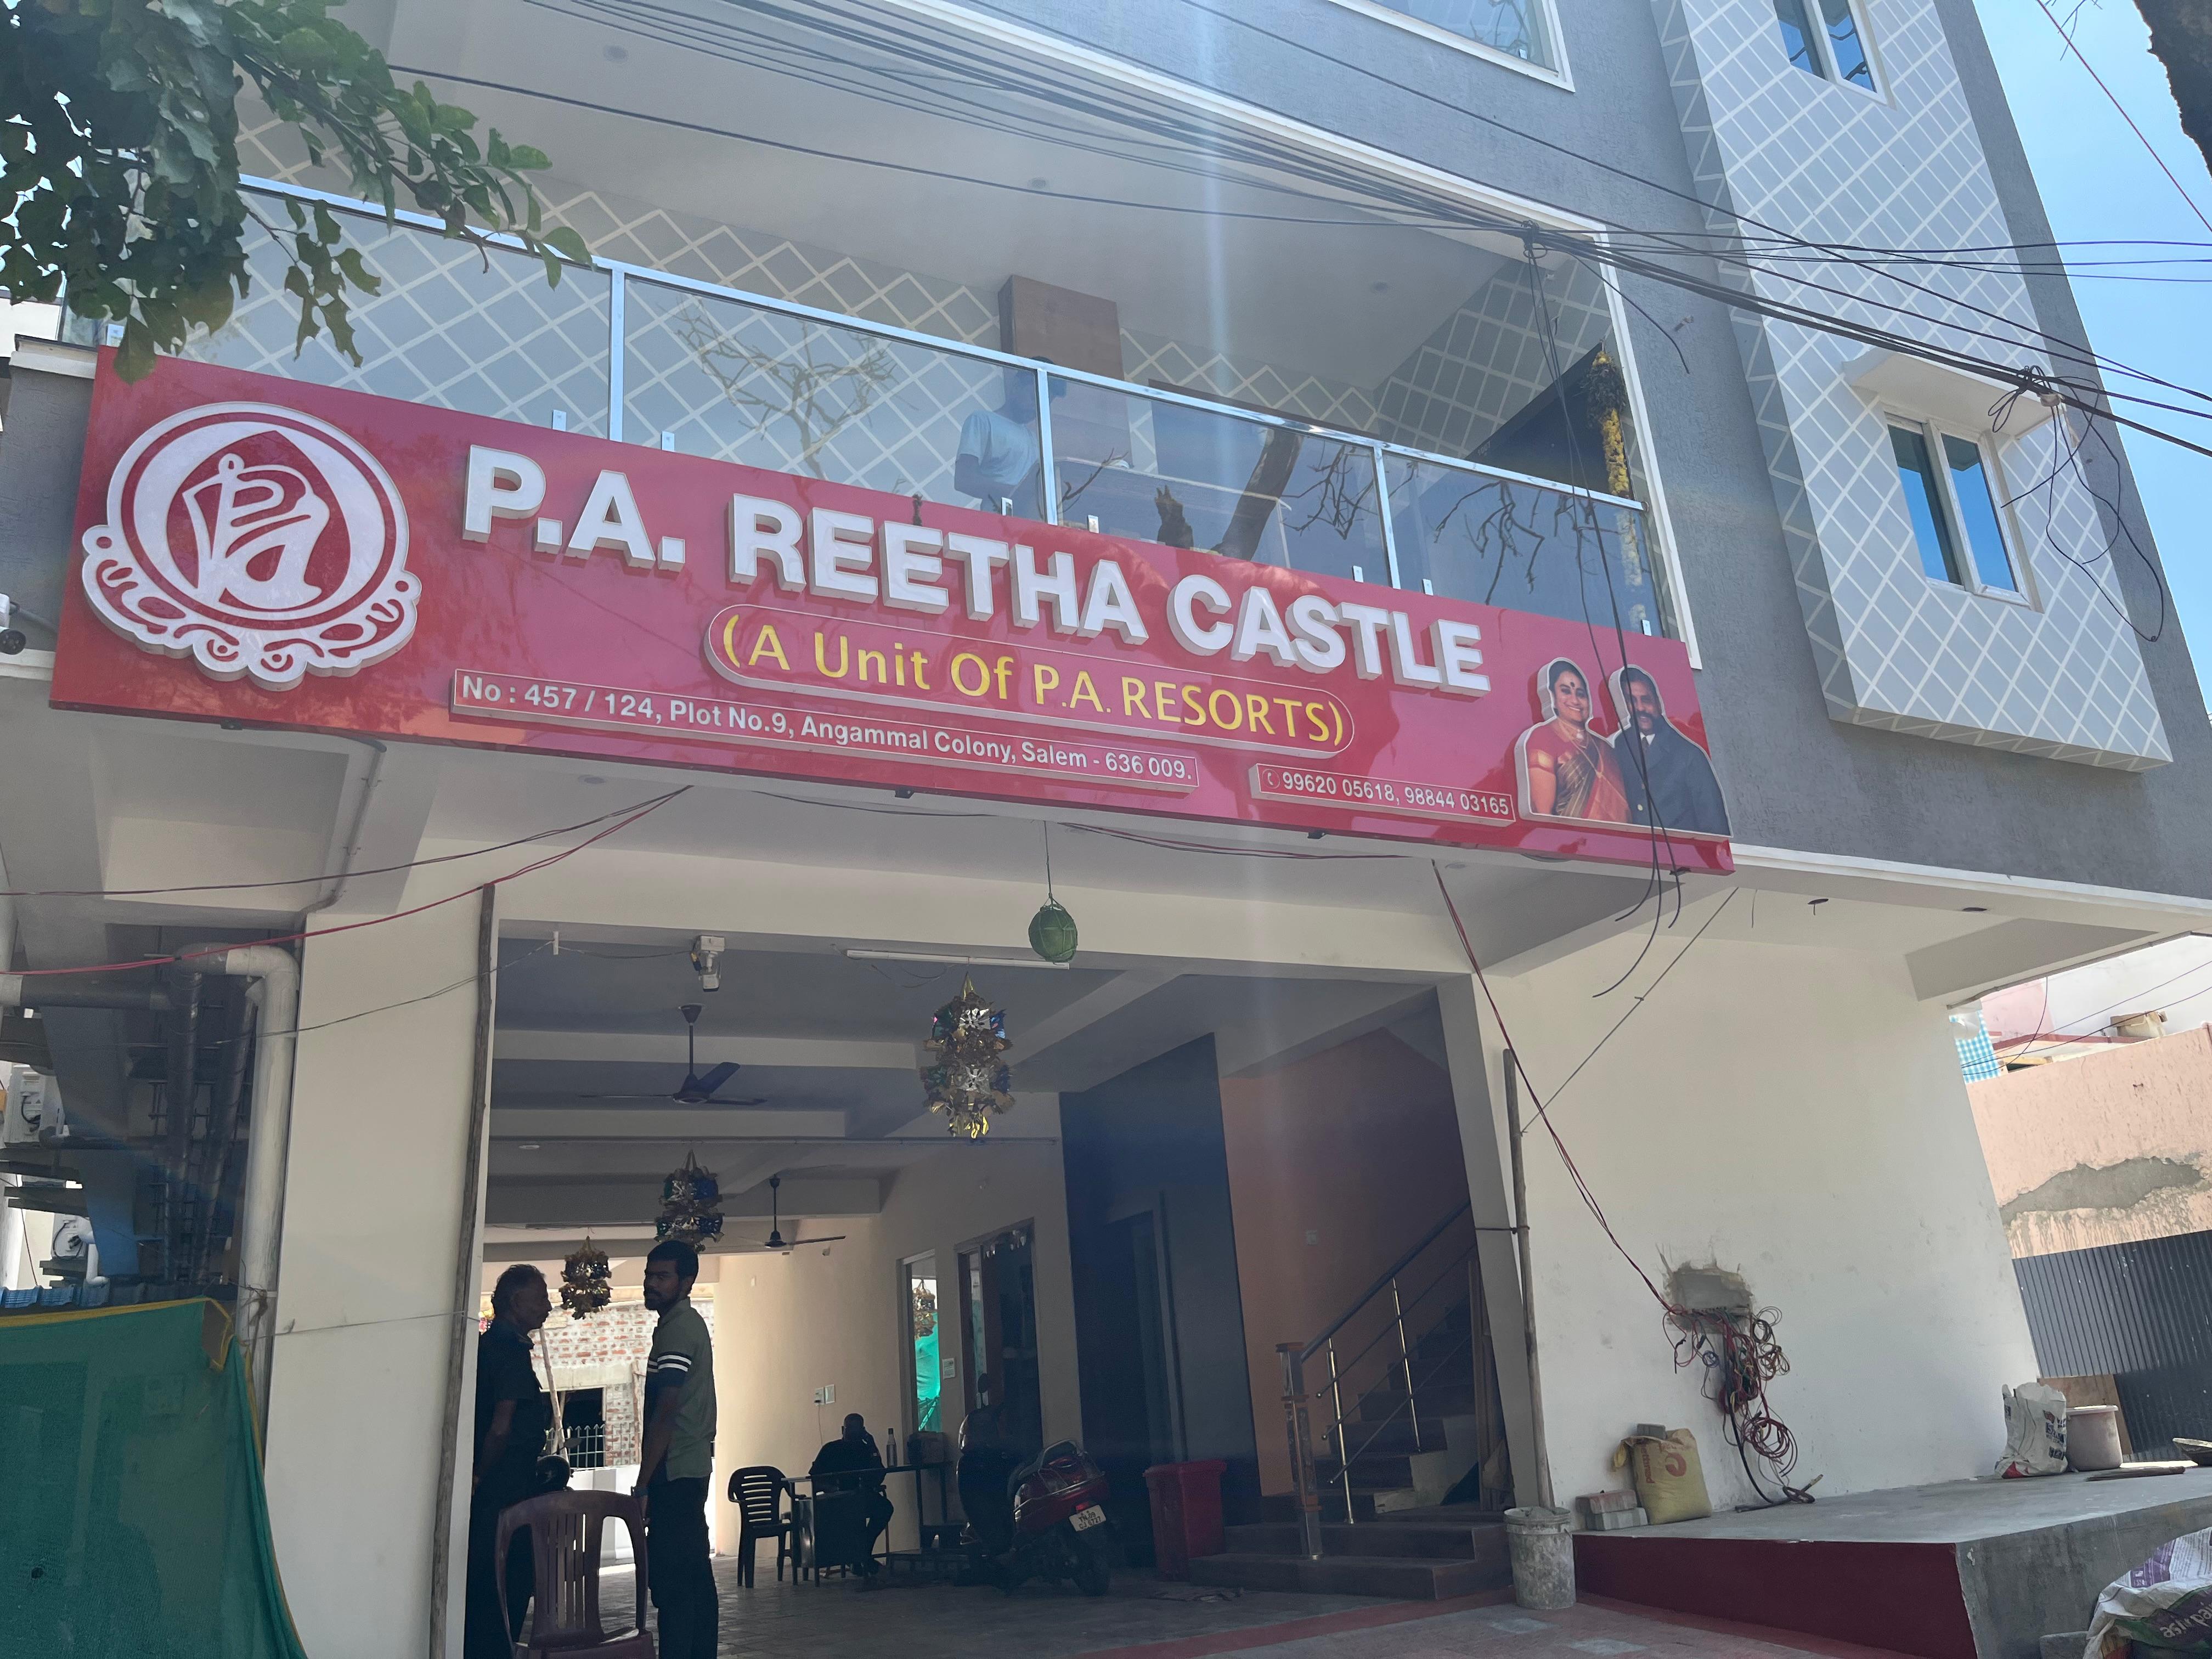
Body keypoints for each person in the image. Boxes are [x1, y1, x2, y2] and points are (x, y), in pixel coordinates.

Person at [466, 1264, 553, 1659]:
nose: (548, 1307)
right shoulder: (510, 1352)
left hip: (494, 1490)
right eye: (541, 1298)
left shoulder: (489, 1346)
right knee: (506, 1588)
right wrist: (481, 1474)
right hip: (505, 1491)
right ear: (517, 1302)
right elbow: (502, 1427)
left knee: (487, 1590)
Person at [636, 1239, 718, 1659]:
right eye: (649, 1275)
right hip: (690, 1467)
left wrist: (643, 1483)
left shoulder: (679, 1330)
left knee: (674, 1585)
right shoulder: (682, 1324)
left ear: (686, 1282)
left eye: (662, 1276)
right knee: (694, 1579)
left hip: (675, 1470)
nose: (651, 1283)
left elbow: (666, 1412)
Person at [1610, 666, 1731, 837]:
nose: (1640, 708)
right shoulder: (1622, 743)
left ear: (1658, 703)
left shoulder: (1690, 756)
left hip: (1678, 852)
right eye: (1632, 700)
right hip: (1632, 848)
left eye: (1646, 700)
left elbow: (1715, 829)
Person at [1516, 657, 1630, 823]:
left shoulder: (1604, 748)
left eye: (1581, 694)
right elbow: (1542, 815)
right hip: (1570, 838)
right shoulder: (1543, 738)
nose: (1575, 700)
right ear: (1553, 697)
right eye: (1566, 691)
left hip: (1616, 839)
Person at [953, 370, 1064, 517]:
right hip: (997, 520)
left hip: (1032, 523)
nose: (1036, 407)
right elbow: (964, 479)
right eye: (1033, 397)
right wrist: (1018, 493)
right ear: (1017, 385)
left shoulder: (1035, 440)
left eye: (1044, 403)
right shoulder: (983, 420)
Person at [809, 1413, 894, 1580]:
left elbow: (879, 1476)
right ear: (844, 1429)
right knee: (852, 1513)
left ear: (863, 1431)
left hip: (862, 1496)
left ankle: (861, 1553)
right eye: (851, 1430)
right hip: (838, 1499)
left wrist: (872, 1446)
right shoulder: (831, 1449)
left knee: (885, 1508)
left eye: (858, 1430)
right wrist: (833, 1489)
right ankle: (862, 1557)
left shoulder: (865, 1449)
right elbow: (815, 1478)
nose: (854, 1434)